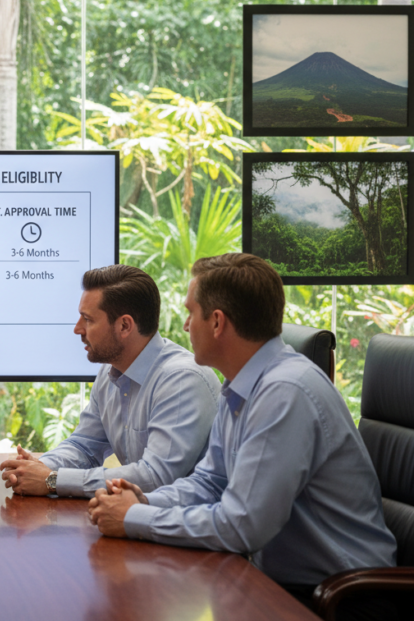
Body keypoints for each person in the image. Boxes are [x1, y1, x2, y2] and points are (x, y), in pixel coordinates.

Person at [88, 253, 396, 605]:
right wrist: (141, 501)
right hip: (274, 582)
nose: (186, 326)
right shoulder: (240, 386)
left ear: (217, 322)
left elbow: (240, 526)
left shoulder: (285, 392)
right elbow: (210, 482)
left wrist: (134, 517)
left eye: (191, 313)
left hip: (341, 597)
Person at [0, 265, 219, 498]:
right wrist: (37, 465)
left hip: (187, 526)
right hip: (141, 521)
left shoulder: (182, 380)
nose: (77, 329)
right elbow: (84, 447)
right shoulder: (110, 372)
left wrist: (52, 479)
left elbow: (155, 477)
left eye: (88, 319)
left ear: (124, 326)